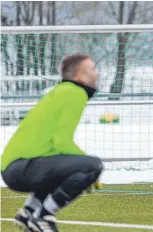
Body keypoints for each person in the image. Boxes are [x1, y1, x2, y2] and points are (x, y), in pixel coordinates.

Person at [1, 53, 103, 232]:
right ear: (80, 76)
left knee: (70, 168)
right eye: (93, 68)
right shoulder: (75, 92)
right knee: (93, 165)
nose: (98, 72)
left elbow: (54, 146)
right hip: (22, 167)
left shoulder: (60, 91)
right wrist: (89, 169)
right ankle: (42, 217)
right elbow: (62, 142)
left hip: (12, 168)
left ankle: (28, 212)